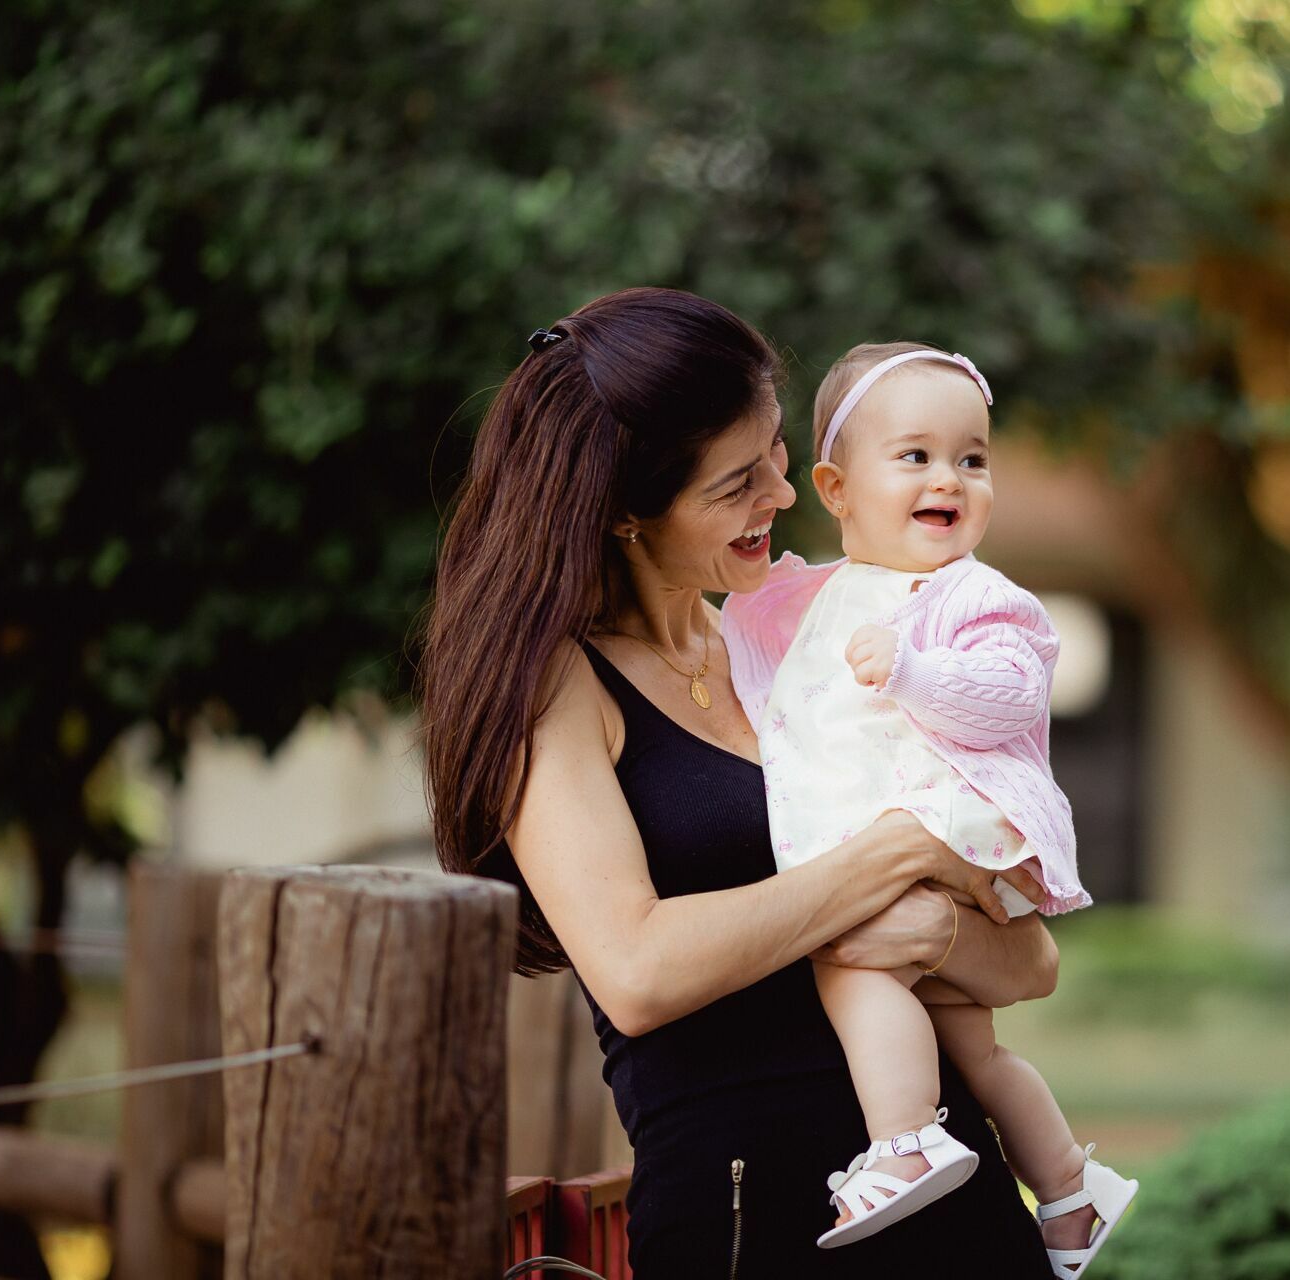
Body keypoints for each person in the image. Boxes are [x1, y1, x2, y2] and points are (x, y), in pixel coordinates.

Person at [420, 287, 1055, 1277]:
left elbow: (1032, 963)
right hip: (750, 1213)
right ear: (627, 512)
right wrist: (891, 858)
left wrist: (942, 931)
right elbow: (635, 971)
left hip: (954, 1191)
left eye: (774, 454)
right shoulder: (556, 686)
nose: (785, 495)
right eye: (736, 483)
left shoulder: (798, 646)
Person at [721, 343, 1137, 1274]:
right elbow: (750, 664)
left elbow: (1012, 694)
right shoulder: (808, 596)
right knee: (976, 1054)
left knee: (849, 965)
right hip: (900, 836)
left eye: (973, 458)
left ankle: (905, 1139)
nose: (949, 477)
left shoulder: (974, 595)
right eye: (915, 456)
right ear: (834, 485)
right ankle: (1070, 1193)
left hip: (955, 818)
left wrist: (914, 669)